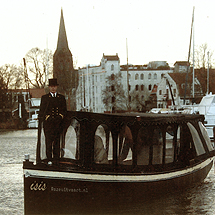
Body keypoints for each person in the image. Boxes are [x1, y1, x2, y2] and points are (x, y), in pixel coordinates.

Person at [38, 78, 67, 164]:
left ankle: (56, 160)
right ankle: (49, 159)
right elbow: (42, 111)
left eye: (54, 86)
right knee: (49, 142)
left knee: (57, 142)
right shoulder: (45, 98)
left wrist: (60, 116)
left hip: (58, 124)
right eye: (51, 87)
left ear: (57, 87)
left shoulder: (61, 98)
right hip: (49, 125)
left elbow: (64, 110)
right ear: (49, 88)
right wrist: (47, 117)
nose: (53, 88)